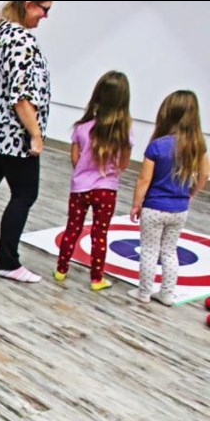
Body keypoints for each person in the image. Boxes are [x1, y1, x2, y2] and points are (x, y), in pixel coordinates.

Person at [0, 1, 53, 283]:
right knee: (25, 193)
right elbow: (22, 97)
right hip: (12, 134)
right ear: (28, 5)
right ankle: (8, 262)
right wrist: (36, 135)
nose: (46, 15)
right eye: (44, 8)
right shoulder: (21, 40)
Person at [54, 71, 133, 291]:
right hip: (107, 190)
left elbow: (74, 157)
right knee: (100, 233)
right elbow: (124, 163)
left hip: (80, 188)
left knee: (73, 228)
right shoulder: (125, 131)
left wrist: (82, 172)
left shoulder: (82, 127)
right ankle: (96, 279)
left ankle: (61, 269)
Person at [128, 91, 209, 305]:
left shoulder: (157, 146)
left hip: (154, 208)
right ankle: (167, 294)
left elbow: (144, 180)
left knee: (149, 250)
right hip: (179, 210)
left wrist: (136, 204)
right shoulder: (198, 146)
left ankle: (144, 293)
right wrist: (191, 193)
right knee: (170, 251)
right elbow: (204, 175)